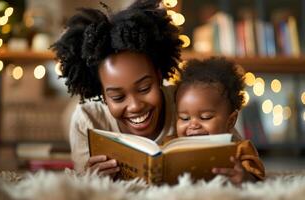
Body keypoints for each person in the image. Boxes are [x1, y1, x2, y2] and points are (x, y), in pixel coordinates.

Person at [52, 0, 185, 174]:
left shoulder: (185, 104)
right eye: (118, 97)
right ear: (103, 95)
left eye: (144, 88)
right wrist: (92, 180)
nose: (136, 106)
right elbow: (82, 183)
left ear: (159, 76)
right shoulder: (87, 120)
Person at [175, 57, 265, 184]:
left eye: (205, 117)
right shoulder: (173, 147)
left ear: (231, 121)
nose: (193, 124)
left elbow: (257, 177)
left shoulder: (240, 149)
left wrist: (245, 177)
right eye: (184, 118)